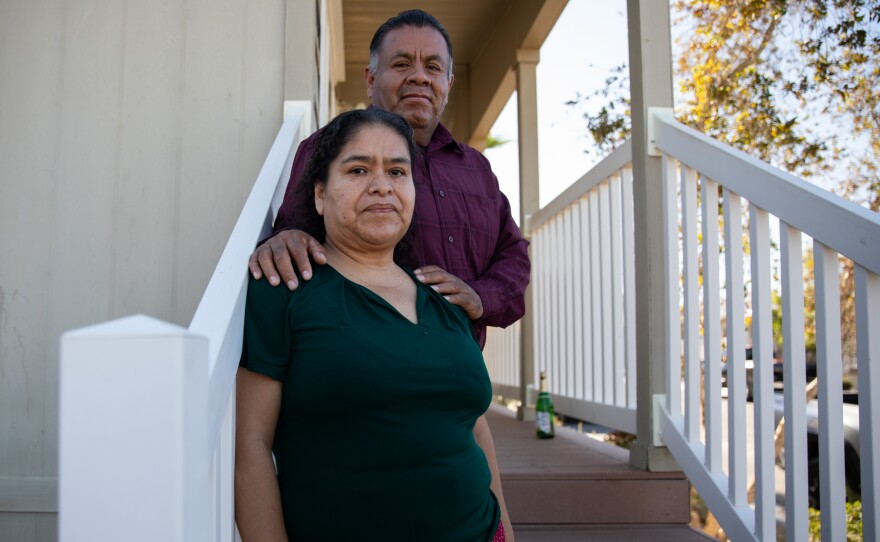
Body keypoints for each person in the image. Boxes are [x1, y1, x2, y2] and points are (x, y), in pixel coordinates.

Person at [235, 108, 510, 541]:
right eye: (359, 169)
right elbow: (249, 444)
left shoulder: (444, 296)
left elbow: (474, 425)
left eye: (397, 171)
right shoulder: (285, 289)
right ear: (320, 195)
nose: (382, 184)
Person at [248, 9, 530, 350]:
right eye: (401, 64)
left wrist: (482, 297)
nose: (419, 77)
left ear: (448, 84)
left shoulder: (477, 169)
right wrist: (285, 238)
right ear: (370, 79)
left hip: (459, 379)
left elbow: (514, 254)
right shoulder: (331, 149)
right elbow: (294, 233)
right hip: (359, 367)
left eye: (433, 67)